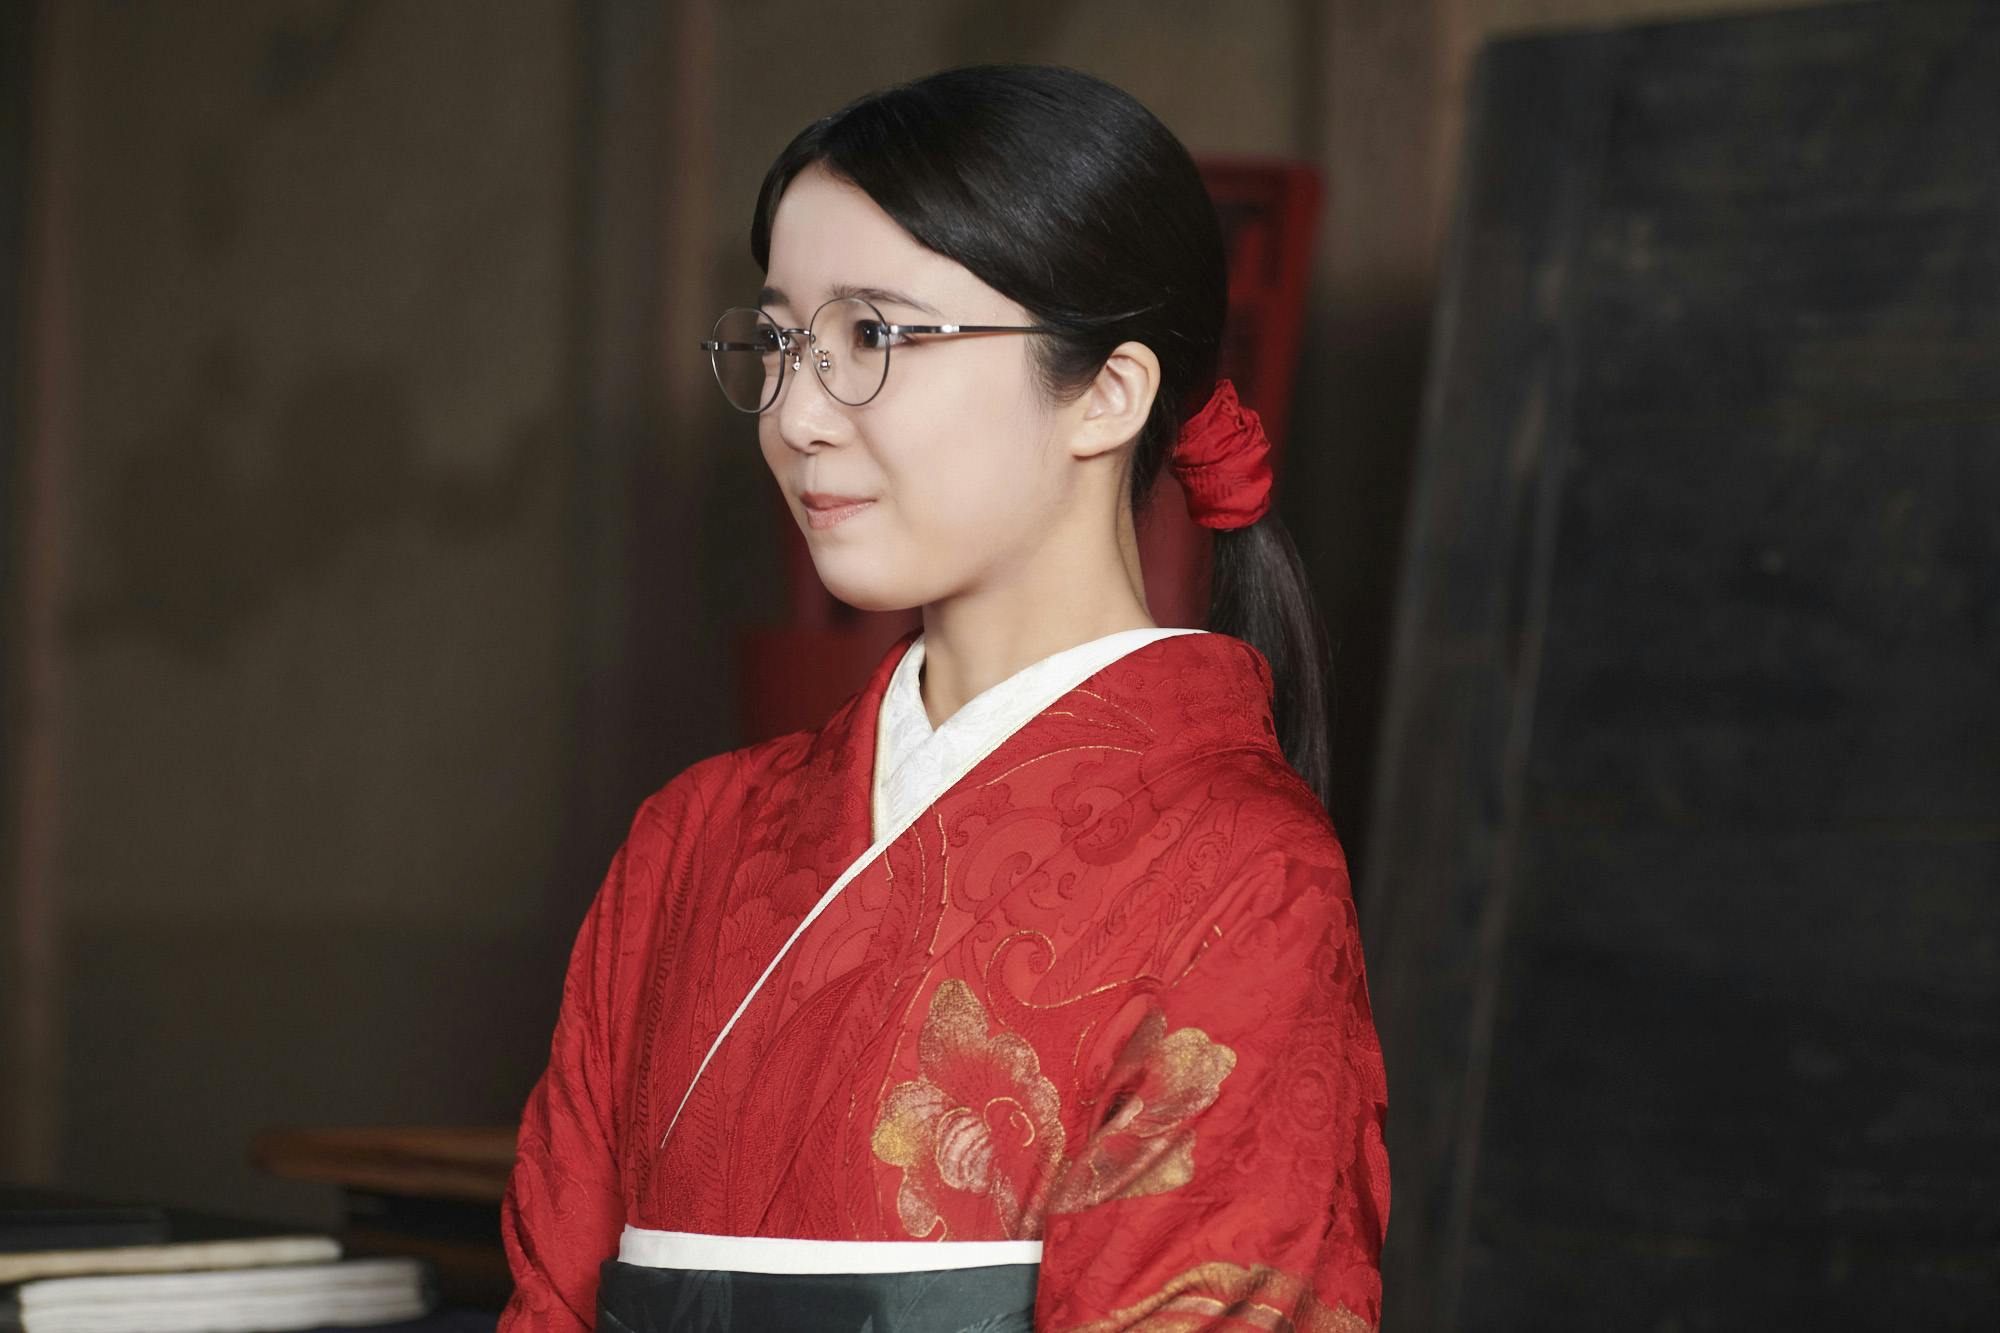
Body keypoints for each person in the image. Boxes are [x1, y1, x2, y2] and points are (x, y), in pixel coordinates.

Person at [498, 62, 1389, 1333]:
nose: (797, 415)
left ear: (1106, 393)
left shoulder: (1245, 878)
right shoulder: (687, 841)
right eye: (781, 342)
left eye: (872, 338)